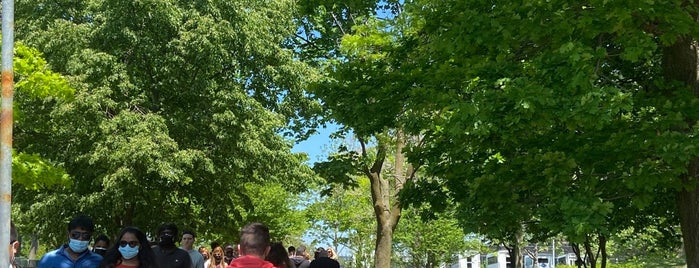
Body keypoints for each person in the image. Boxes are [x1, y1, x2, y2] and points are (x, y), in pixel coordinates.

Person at [37, 214, 103, 268]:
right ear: (68, 234)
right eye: (75, 234)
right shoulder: (48, 259)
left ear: (91, 236)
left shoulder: (99, 261)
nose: (80, 238)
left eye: (85, 235)